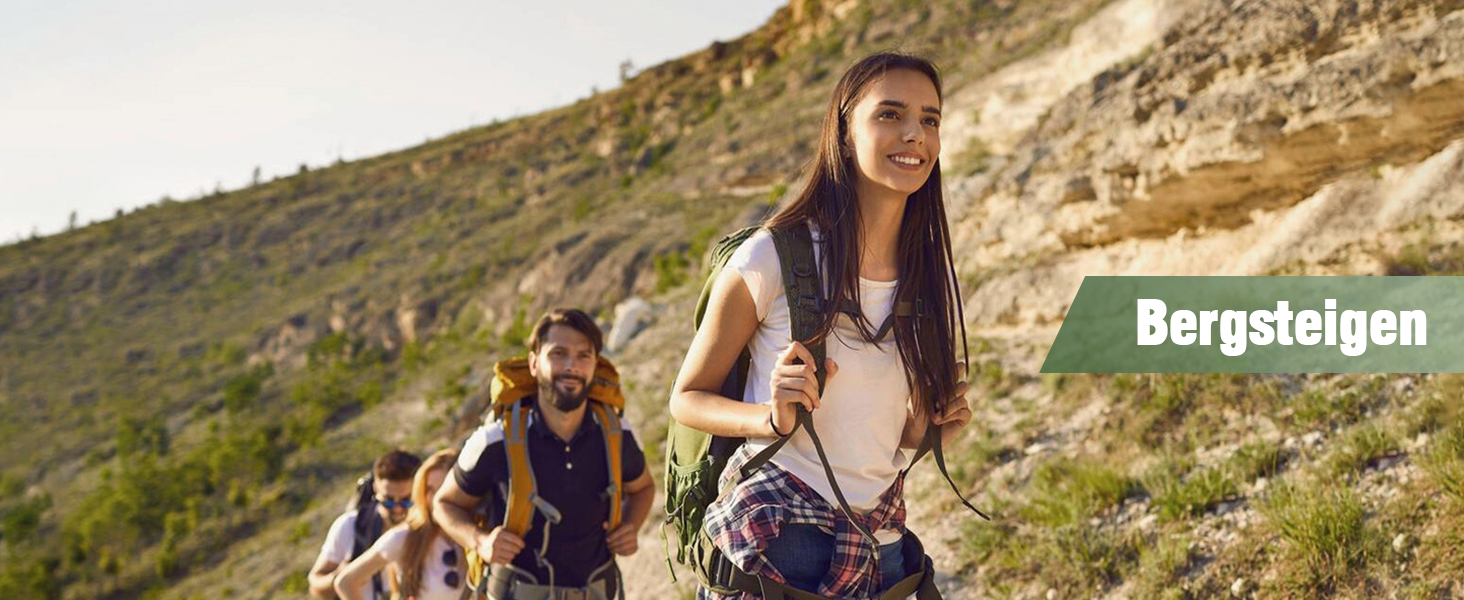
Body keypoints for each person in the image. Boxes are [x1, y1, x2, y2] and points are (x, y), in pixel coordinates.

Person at [668, 52, 974, 599]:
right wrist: (770, 417)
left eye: (930, 119)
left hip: (882, 544)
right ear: (844, 129)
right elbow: (688, 397)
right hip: (781, 542)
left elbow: (890, 440)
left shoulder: (927, 278)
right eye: (890, 115)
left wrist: (929, 428)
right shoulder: (772, 257)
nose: (915, 135)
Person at [435, 308, 656, 600]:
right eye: (558, 353)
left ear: (595, 364)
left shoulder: (617, 435)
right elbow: (444, 504)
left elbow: (643, 488)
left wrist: (631, 527)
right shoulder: (495, 439)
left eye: (583, 355)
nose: (571, 366)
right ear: (534, 363)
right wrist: (480, 541)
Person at [336, 449, 465, 600]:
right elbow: (345, 582)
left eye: (443, 488)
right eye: (429, 489)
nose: (436, 499)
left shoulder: (478, 532)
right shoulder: (406, 536)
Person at [309, 449, 424, 600]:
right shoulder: (350, 525)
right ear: (376, 488)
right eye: (388, 500)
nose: (397, 508)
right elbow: (315, 585)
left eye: (406, 501)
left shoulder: (428, 532)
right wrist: (339, 577)